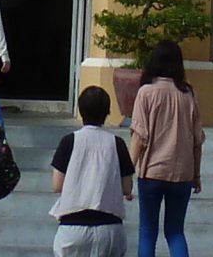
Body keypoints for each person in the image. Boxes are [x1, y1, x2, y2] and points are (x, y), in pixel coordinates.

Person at [128, 40, 202, 257]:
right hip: (182, 174)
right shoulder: (189, 95)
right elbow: (197, 141)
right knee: (176, 232)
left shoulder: (146, 93)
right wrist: (196, 175)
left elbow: (139, 139)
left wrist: (127, 172)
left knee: (147, 232)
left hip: (151, 173)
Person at [49, 84, 134, 257]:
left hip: (72, 226)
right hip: (110, 227)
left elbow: (57, 185)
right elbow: (127, 188)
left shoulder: (69, 141)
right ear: (107, 112)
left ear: (80, 111)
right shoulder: (117, 143)